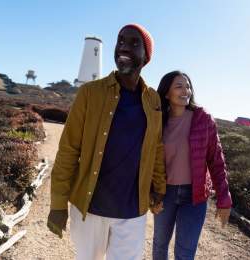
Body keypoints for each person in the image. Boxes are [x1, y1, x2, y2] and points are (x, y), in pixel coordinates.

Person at [47, 24, 166, 260]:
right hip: (90, 208)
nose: (124, 46)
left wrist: (159, 188)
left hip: (132, 212)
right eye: (120, 40)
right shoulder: (90, 93)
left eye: (134, 43)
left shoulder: (153, 99)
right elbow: (68, 150)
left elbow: (157, 148)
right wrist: (58, 204)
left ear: (146, 56)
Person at [153, 71, 232, 260]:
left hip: (195, 196)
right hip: (165, 194)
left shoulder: (203, 119)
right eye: (179, 86)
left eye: (187, 86)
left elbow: (216, 161)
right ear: (166, 93)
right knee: (159, 245)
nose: (185, 90)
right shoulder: (157, 121)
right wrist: (151, 194)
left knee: (185, 252)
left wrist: (224, 199)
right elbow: (149, 161)